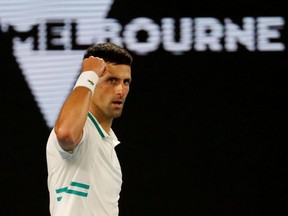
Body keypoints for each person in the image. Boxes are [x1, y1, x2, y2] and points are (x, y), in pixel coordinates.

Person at [46, 42, 133, 216]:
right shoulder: (81, 131)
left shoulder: (108, 145)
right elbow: (66, 134)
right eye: (112, 80)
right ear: (92, 82)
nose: (120, 90)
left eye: (126, 82)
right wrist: (88, 75)